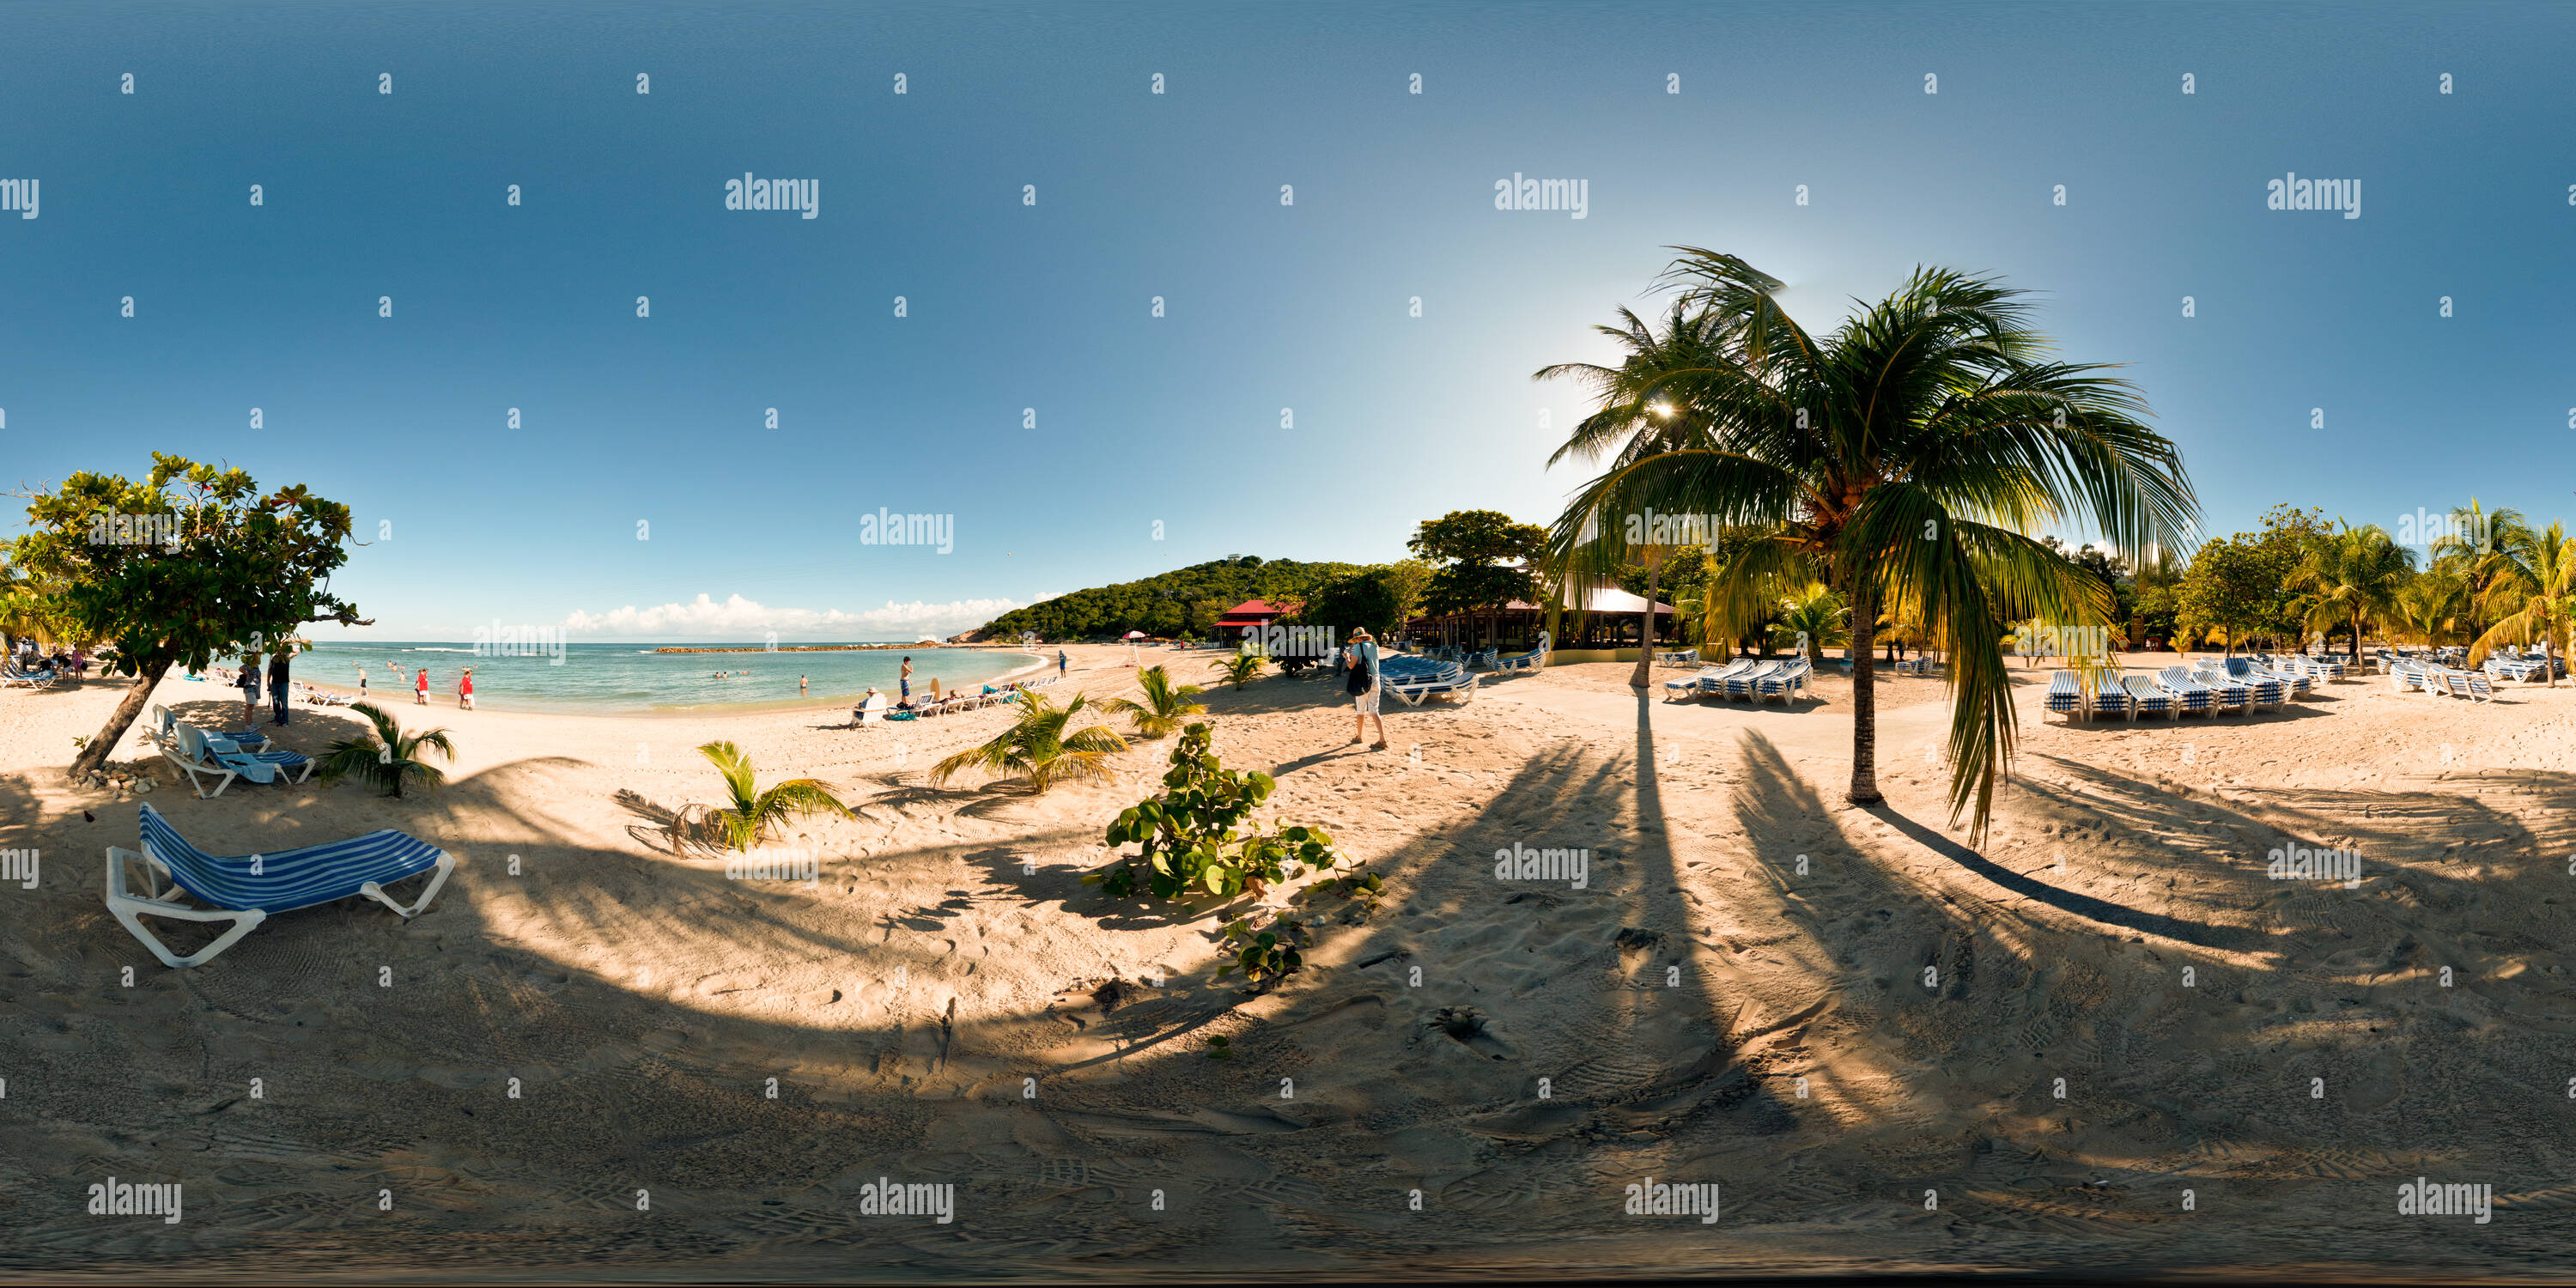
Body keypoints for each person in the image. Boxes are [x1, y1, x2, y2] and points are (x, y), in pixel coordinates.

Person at [1345, 627, 1387, 750]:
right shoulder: (1375, 645)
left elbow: (1351, 665)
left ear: (1357, 638)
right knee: (1374, 710)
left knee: (1360, 710)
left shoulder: (1358, 647)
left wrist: (1347, 657)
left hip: (1363, 681)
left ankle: (1359, 736)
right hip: (1375, 679)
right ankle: (1382, 739)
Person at [266, 646, 293, 726]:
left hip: (284, 683)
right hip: (274, 683)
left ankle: (285, 721)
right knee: (275, 702)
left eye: (281, 647)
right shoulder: (273, 656)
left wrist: (286, 647)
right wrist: (268, 681)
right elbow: (270, 669)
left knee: (284, 703)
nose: (279, 649)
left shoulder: (287, 656)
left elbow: (297, 651)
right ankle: (277, 719)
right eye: (278, 647)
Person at [238, 653, 263, 725]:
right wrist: (247, 675)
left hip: (255, 689)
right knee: (249, 707)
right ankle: (248, 724)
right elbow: (240, 668)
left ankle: (251, 723)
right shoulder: (249, 663)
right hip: (250, 688)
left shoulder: (256, 665)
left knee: (251, 708)